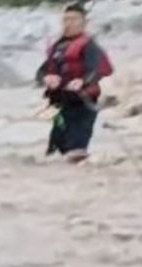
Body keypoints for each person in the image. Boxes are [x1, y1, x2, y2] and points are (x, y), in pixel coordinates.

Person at [37, 4, 114, 163]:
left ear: (84, 23)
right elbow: (41, 72)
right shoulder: (58, 46)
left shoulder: (89, 45)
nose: (68, 23)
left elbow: (100, 69)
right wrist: (46, 78)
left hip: (83, 102)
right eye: (65, 20)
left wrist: (82, 81)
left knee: (76, 149)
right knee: (55, 150)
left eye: (73, 19)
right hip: (61, 103)